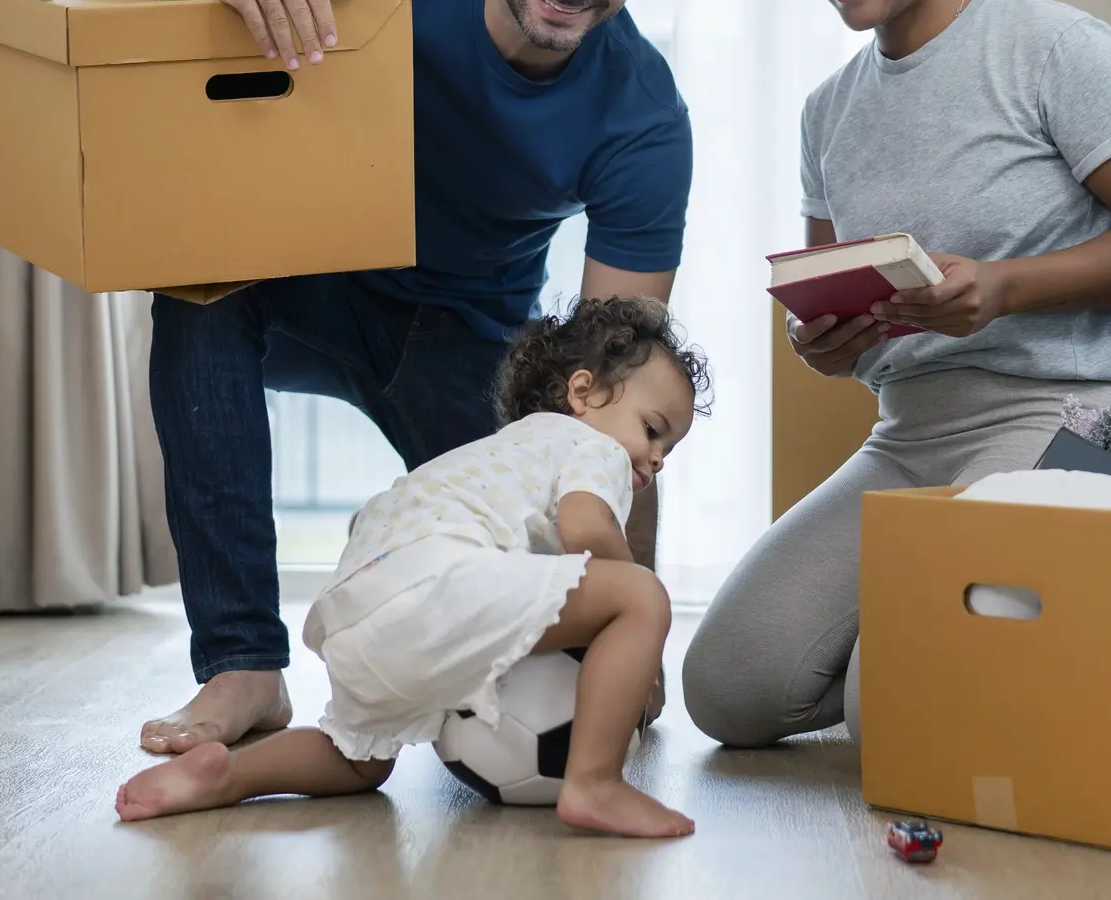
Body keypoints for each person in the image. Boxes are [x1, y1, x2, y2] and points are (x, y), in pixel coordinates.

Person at [92, 0, 693, 757]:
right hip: (309, 286)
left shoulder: (643, 120)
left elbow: (620, 398)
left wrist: (636, 634)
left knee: (552, 611)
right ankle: (243, 666)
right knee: (197, 294)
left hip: (470, 344)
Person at [681, 0, 1111, 748]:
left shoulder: (1050, 51)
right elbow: (834, 297)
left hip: (1077, 417)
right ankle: (996, 658)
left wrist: (1005, 288)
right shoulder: (828, 110)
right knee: (728, 690)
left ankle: (1068, 595)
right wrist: (826, 343)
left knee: (895, 706)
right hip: (913, 435)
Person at [113, 297, 706, 839]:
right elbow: (586, 528)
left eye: (668, 451)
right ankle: (596, 784)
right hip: (438, 583)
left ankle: (228, 775)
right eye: (652, 430)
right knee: (642, 596)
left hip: (357, 607)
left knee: (358, 759)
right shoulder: (591, 446)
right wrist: (632, 629)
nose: (654, 459)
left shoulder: (501, 450)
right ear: (583, 393)